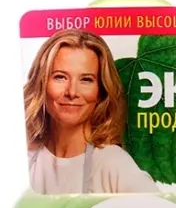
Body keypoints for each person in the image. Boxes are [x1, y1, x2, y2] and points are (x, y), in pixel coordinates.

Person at [24, 30, 158, 194]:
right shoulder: (25, 159)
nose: (72, 92)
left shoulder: (113, 164)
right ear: (41, 83)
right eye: (60, 77)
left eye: (86, 80)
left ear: (100, 91)